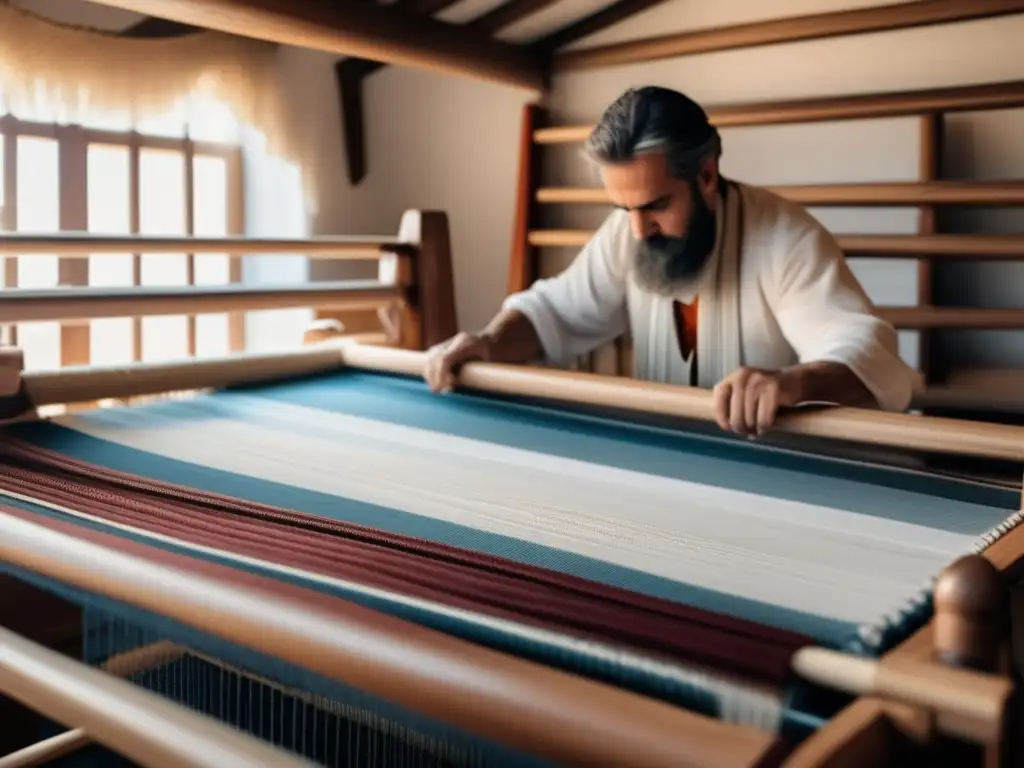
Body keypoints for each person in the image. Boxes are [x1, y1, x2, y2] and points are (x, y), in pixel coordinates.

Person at [424, 86, 920, 436]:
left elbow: (864, 351)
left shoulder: (785, 238)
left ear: (706, 175)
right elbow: (555, 311)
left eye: (656, 206)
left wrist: (793, 382)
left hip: (790, 473)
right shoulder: (629, 231)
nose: (639, 230)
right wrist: (489, 342)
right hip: (672, 464)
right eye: (624, 209)